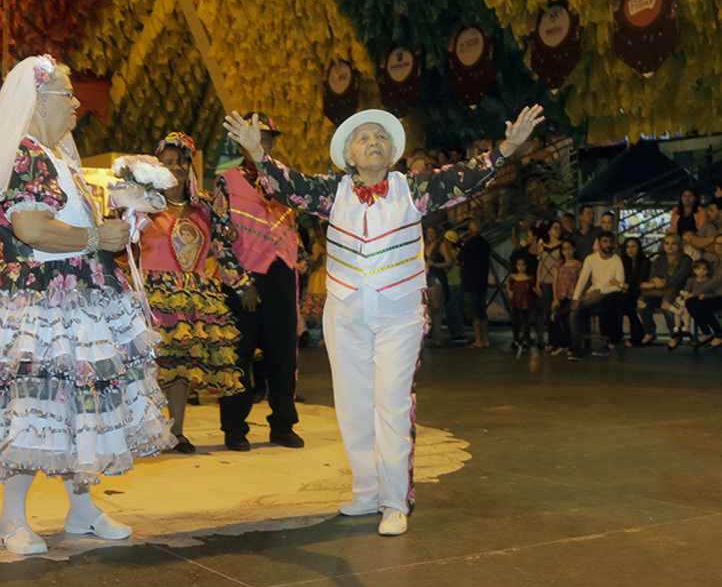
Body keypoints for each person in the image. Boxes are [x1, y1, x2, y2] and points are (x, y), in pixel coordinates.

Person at [223, 103, 543, 537]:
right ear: (350, 157)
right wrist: (258, 154)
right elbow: (287, 184)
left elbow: (465, 178)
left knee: (391, 404)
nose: (373, 142)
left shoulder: (413, 188)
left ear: (391, 151)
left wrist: (506, 147)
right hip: (346, 310)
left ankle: (395, 500)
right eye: (363, 137)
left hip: (398, 312)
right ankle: (367, 490)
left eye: (380, 137)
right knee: (353, 405)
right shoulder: (329, 192)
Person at [0, 55, 173, 556]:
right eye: (68, 94)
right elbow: (32, 229)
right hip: (43, 297)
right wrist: (96, 236)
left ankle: (82, 510)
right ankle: (10, 520)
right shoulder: (27, 155)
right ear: (39, 101)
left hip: (76, 293)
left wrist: (121, 226)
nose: (77, 104)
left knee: (77, 402)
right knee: (33, 405)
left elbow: (69, 226)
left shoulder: (57, 156)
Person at [142, 133, 245, 453]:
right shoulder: (145, 206)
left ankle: (177, 432)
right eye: (168, 162)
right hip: (154, 294)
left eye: (181, 161)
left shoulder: (205, 207)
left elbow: (225, 239)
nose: (176, 167)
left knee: (181, 367)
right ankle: (144, 429)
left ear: (190, 165)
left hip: (193, 296)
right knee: (150, 366)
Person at [211, 113, 304, 452]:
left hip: (282, 274)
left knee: (283, 356)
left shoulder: (283, 178)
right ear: (241, 142)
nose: (263, 144)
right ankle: (234, 429)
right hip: (245, 279)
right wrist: (240, 283)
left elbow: (291, 223)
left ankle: (283, 425)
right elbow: (219, 237)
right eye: (256, 137)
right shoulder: (227, 180)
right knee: (238, 357)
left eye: (267, 139)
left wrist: (300, 258)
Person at [569, 231, 625, 360]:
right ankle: (576, 349)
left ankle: (561, 312)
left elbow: (618, 286)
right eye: (605, 241)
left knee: (597, 295)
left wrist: (599, 290)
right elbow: (582, 280)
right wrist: (576, 298)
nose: (608, 244)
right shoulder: (591, 259)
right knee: (573, 313)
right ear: (599, 243)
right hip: (591, 300)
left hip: (606, 298)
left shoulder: (617, 260)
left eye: (610, 241)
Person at [638, 233, 692, 346]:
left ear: (679, 246)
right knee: (642, 301)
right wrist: (655, 280)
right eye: (667, 243)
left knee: (667, 303)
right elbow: (651, 276)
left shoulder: (685, 259)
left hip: (677, 291)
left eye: (673, 244)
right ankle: (649, 331)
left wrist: (658, 282)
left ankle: (675, 333)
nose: (669, 246)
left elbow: (676, 279)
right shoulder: (659, 259)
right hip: (658, 291)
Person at [458, 219, 492, 349]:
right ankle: (486, 339)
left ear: (471, 230)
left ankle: (478, 339)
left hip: (471, 281)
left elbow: (459, 259)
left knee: (474, 313)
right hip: (483, 281)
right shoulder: (486, 244)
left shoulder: (469, 244)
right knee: (483, 311)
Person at [534, 220, 566, 349]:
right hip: (545, 281)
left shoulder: (562, 245)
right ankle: (552, 340)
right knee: (547, 310)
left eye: (559, 228)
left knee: (557, 310)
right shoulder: (543, 246)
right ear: (549, 231)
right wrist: (537, 282)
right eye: (555, 228)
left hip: (558, 281)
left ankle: (559, 341)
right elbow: (540, 264)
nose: (557, 230)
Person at [548, 239, 583, 355]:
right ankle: (559, 344)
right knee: (554, 319)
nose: (567, 252)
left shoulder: (579, 265)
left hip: (573, 296)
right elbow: (555, 281)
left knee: (568, 320)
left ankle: (569, 345)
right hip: (561, 295)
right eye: (564, 249)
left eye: (569, 248)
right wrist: (555, 297)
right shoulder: (559, 264)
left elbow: (581, 281)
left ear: (574, 250)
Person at [424, 225, 454, 348]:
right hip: (428, 278)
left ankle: (438, 338)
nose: (430, 234)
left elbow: (449, 262)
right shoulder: (426, 246)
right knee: (431, 308)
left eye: (432, 232)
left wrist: (435, 264)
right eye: (428, 232)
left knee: (437, 308)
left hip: (437, 278)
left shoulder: (441, 245)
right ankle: (435, 336)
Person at [617, 237, 650, 346]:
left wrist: (623, 285)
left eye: (633, 246)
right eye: (627, 247)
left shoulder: (645, 262)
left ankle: (637, 333)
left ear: (639, 248)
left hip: (642, 292)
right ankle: (638, 332)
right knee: (621, 301)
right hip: (628, 293)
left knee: (624, 302)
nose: (630, 250)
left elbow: (639, 284)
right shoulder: (623, 263)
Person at [682, 259, 722, 348]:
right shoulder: (715, 259)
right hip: (711, 294)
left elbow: (716, 281)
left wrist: (695, 293)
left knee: (702, 306)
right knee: (690, 303)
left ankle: (718, 333)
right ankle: (706, 331)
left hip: (717, 295)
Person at [505, 257, 536, 355]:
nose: (521, 267)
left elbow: (534, 287)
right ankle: (516, 339)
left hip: (526, 300)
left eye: (523, 265)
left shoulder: (530, 278)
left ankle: (526, 339)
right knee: (515, 321)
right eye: (519, 264)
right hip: (516, 300)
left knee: (525, 321)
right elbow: (508, 285)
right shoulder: (513, 276)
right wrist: (510, 292)